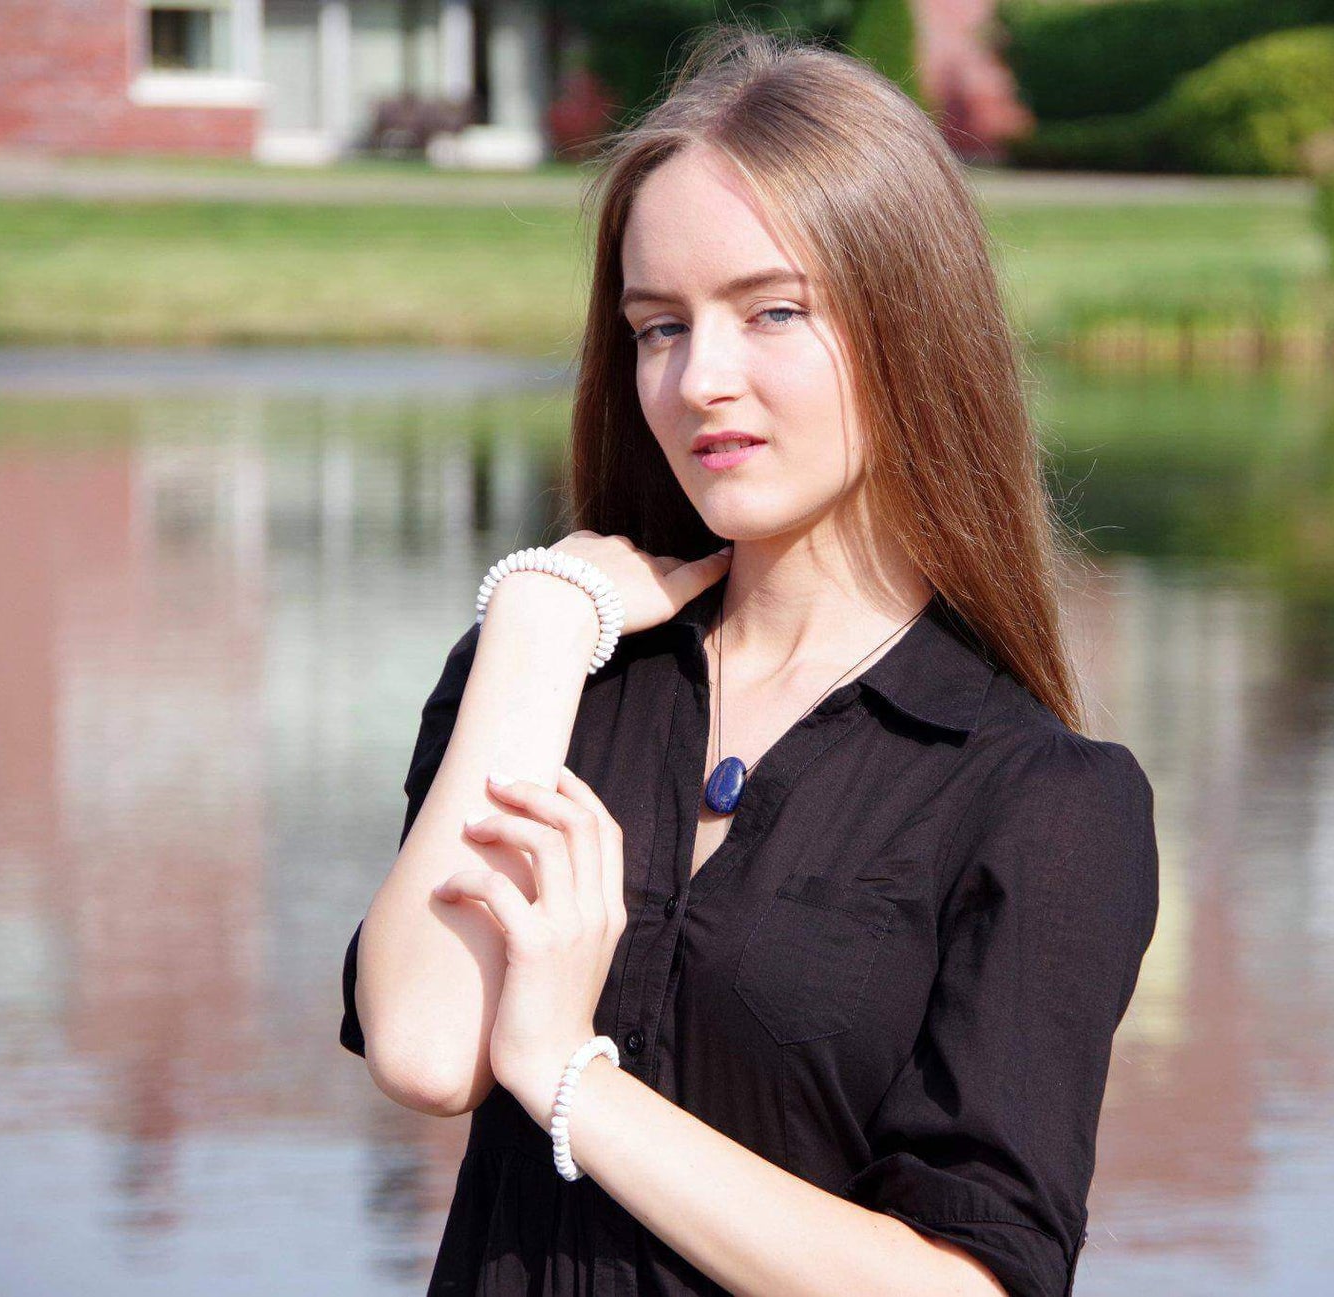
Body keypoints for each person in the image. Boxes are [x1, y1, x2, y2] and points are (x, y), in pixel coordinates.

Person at [339, 23, 1160, 1297]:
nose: (698, 380)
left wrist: (567, 1076)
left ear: (911, 326)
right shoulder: (546, 673)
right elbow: (427, 1047)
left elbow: (965, 1283)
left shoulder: (1038, 799)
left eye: (772, 311)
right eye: (657, 327)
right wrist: (538, 618)